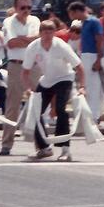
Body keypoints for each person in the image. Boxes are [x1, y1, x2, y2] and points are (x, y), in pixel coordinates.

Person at [22, 20, 85, 161]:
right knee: (35, 111)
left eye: (51, 31)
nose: (48, 34)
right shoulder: (33, 47)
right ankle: (44, 148)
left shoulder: (61, 46)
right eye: (45, 31)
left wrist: (82, 87)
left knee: (60, 109)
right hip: (46, 80)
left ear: (55, 32)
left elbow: (79, 67)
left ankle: (65, 150)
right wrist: (28, 88)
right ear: (40, 33)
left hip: (64, 78)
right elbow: (25, 71)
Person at [0, 0, 40, 155]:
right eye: (23, 8)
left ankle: (41, 144)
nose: (26, 11)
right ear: (15, 8)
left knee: (37, 104)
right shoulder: (8, 22)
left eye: (29, 7)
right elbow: (11, 42)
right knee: (13, 106)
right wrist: (29, 39)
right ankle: (6, 144)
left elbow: (38, 40)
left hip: (34, 66)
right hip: (16, 66)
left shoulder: (35, 21)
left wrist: (22, 39)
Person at [68, 1, 104, 123]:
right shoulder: (83, 23)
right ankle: (89, 114)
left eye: (72, 14)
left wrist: (99, 59)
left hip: (93, 55)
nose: (72, 17)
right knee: (87, 87)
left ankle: (94, 116)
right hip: (85, 55)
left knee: (94, 87)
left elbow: (100, 39)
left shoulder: (93, 22)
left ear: (77, 11)